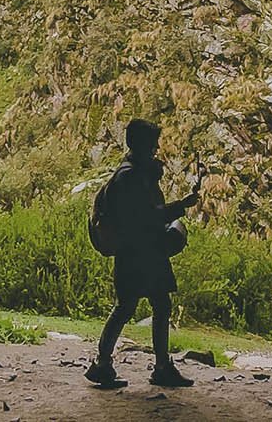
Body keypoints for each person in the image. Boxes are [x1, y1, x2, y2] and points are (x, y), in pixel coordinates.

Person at [85, 118, 201, 389]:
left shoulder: (131, 173)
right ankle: (157, 367)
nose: (155, 149)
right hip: (142, 252)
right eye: (152, 144)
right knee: (152, 306)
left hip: (136, 252)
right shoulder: (131, 177)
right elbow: (144, 218)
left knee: (130, 307)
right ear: (140, 144)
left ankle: (104, 364)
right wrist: (180, 207)